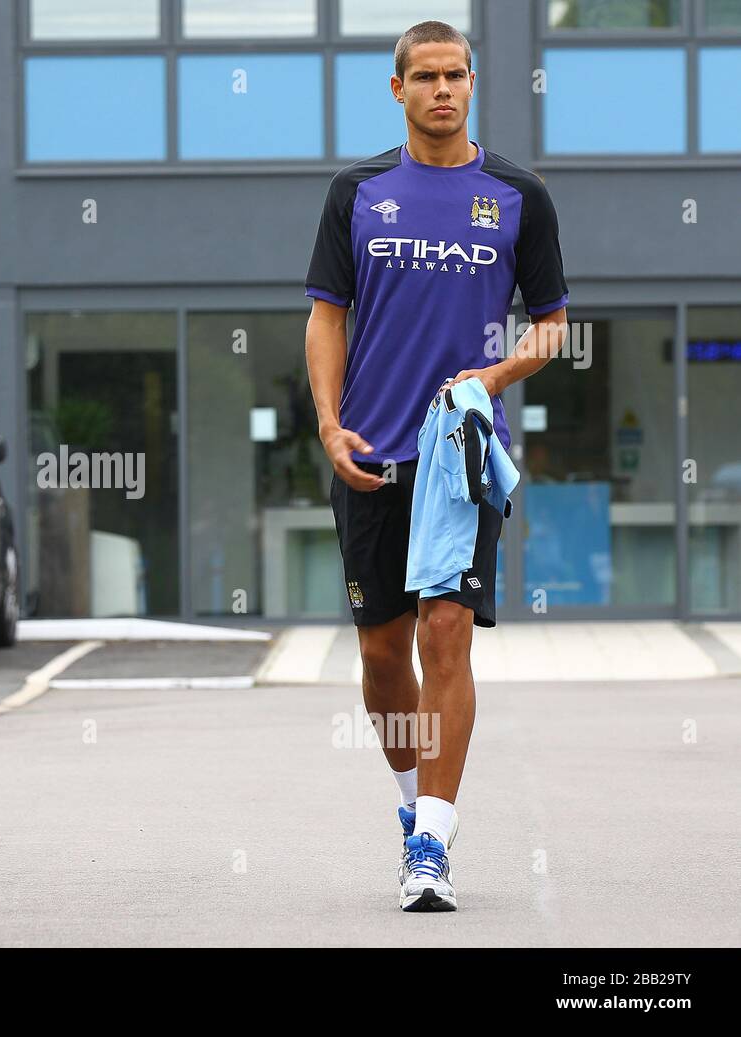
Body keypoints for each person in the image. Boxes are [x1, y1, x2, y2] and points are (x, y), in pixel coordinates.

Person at [304, 20, 569, 911]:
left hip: (459, 452)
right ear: (398, 89)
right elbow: (325, 317)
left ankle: (433, 842)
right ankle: (411, 801)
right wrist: (330, 426)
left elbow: (555, 325)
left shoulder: (517, 194)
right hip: (370, 454)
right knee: (383, 651)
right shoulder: (359, 192)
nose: (444, 90)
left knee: (445, 630)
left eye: (456, 75)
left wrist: (491, 378)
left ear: (471, 83)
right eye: (426, 77)